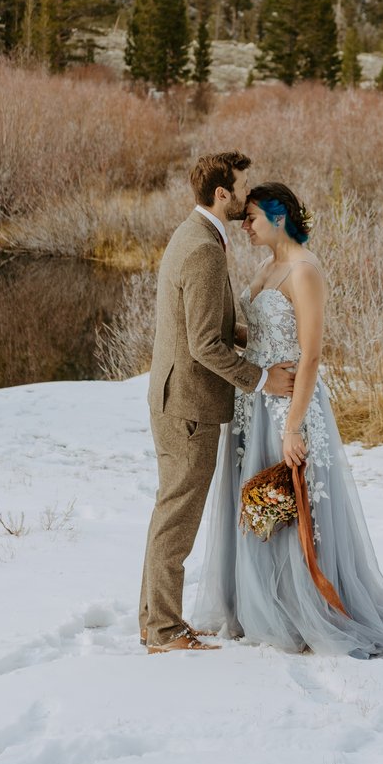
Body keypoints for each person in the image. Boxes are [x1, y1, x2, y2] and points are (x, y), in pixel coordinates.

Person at [194, 181, 383, 657]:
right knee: (257, 505)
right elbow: (254, 332)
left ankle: (298, 608)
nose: (245, 226)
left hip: (287, 406)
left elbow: (312, 354)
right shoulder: (266, 267)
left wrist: (293, 425)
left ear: (278, 218)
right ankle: (256, 605)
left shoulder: (304, 272)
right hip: (252, 404)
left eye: (252, 217)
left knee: (290, 507)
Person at [139, 152, 297, 653]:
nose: (247, 195)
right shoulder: (204, 249)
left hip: (174, 396)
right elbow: (204, 343)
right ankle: (163, 631)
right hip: (188, 403)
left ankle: (155, 621)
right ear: (222, 193)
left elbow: (207, 322)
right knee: (177, 516)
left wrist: (257, 335)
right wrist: (260, 379)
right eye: (242, 186)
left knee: (171, 510)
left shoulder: (196, 234)